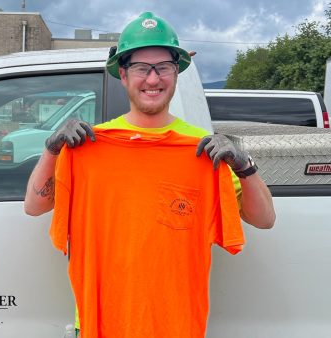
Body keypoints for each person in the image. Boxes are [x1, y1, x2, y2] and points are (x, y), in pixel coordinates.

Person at [24, 11, 275, 337]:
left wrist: (245, 166)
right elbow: (34, 206)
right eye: (142, 68)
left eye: (163, 68)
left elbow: (265, 219)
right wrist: (52, 149)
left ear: (176, 73)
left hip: (175, 325)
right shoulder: (87, 147)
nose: (153, 79)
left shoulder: (202, 152)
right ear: (124, 75)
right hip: (102, 324)